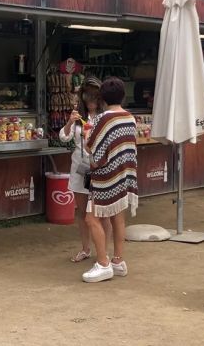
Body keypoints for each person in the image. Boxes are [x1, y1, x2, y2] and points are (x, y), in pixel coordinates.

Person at [81, 77, 139, 283]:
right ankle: (118, 261)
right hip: (124, 175)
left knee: (91, 218)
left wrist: (88, 134)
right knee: (118, 217)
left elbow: (92, 148)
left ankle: (103, 263)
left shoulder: (103, 119)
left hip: (105, 177)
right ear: (122, 95)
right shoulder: (130, 118)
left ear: (102, 98)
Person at [58, 77, 112, 263]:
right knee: (81, 211)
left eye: (94, 98)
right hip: (80, 168)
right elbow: (64, 138)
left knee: (102, 212)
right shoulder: (78, 116)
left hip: (100, 168)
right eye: (87, 98)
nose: (91, 103)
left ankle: (103, 251)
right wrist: (69, 122)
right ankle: (85, 249)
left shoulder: (105, 117)